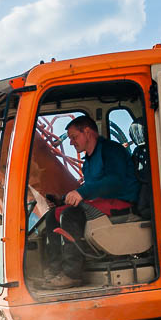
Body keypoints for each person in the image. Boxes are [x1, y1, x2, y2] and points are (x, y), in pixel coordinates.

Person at [38, 115, 140, 289]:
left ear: (87, 132)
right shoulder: (88, 161)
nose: (71, 143)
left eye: (74, 137)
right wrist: (62, 200)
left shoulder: (111, 151)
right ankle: (55, 271)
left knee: (70, 215)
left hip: (121, 202)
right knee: (52, 215)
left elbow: (115, 182)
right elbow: (91, 187)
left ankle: (71, 274)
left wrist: (81, 192)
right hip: (101, 202)